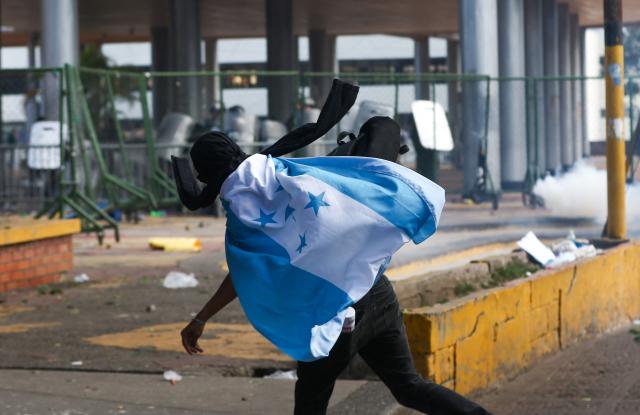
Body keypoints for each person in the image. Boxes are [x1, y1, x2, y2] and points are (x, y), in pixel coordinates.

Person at [175, 80, 492, 415]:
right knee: (409, 387)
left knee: (310, 406)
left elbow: (243, 276)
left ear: (208, 176)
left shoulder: (244, 224)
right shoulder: (291, 173)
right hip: (374, 292)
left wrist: (201, 318)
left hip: (330, 314)